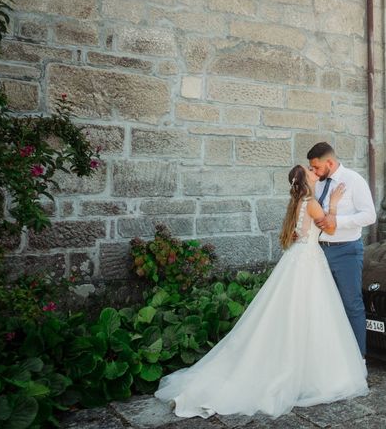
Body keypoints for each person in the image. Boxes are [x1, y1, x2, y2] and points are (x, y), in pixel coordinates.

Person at [154, 165, 368, 419]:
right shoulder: (311, 202)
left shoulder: (297, 202)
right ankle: (305, 369)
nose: (314, 172)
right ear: (306, 180)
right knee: (309, 312)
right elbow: (330, 228)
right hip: (309, 262)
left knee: (292, 312)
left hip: (296, 258)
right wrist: (333, 203)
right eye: (310, 171)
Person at [307, 142, 377, 358]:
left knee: (352, 304)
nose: (314, 172)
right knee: (324, 305)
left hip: (346, 251)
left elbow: (369, 216)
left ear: (329, 162)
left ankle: (358, 359)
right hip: (319, 251)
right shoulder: (317, 184)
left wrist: (338, 221)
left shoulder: (354, 181)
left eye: (316, 167)